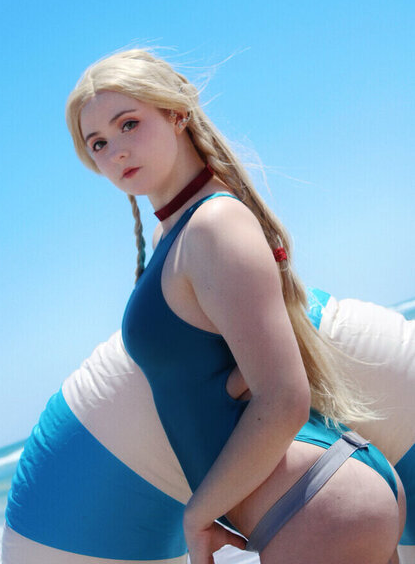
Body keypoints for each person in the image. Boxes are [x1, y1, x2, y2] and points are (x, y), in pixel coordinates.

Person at [65, 48, 406, 564]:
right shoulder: (174, 236)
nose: (116, 152)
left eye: (129, 124)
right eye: (98, 143)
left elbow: (284, 398)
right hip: (315, 500)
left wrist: (198, 516)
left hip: (313, 504)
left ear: (176, 114)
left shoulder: (212, 226)